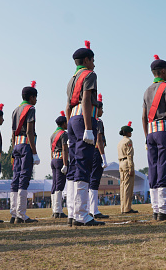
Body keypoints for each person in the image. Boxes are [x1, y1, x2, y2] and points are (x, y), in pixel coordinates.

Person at [65, 41, 104, 226]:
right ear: (87, 60)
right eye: (93, 60)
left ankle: (73, 213)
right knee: (83, 165)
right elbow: (87, 100)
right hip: (83, 119)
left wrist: (68, 128)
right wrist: (89, 128)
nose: (94, 64)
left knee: (74, 166)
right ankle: (81, 214)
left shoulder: (71, 79)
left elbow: (67, 106)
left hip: (72, 120)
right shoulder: (90, 75)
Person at [142, 55, 166, 221]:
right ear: (164, 71)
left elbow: (143, 117)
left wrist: (146, 137)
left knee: (153, 169)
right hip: (163, 131)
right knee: (164, 168)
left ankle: (156, 209)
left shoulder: (147, 90)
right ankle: (164, 210)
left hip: (150, 133)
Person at [10, 81, 40, 224]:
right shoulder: (31, 109)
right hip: (26, 145)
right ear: (32, 97)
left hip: (16, 145)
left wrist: (12, 149)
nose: (36, 100)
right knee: (24, 178)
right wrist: (34, 152)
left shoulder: (15, 110)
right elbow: (29, 131)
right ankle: (21, 215)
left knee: (15, 178)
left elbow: (12, 133)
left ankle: (13, 212)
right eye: (36, 97)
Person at [89, 94, 109, 219]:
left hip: (89, 152)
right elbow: (99, 140)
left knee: (90, 180)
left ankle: (90, 208)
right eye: (101, 109)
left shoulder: (89, 120)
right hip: (96, 152)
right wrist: (103, 156)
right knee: (95, 181)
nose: (102, 111)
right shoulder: (98, 121)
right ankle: (94, 210)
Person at [50, 111, 69, 218]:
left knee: (54, 184)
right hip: (61, 159)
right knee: (60, 185)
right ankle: (58, 211)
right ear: (63, 124)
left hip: (54, 159)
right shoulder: (64, 134)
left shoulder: (53, 134)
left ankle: (54, 209)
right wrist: (65, 164)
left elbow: (51, 150)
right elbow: (65, 150)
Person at [118, 122, 138, 214]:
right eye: (130, 132)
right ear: (127, 133)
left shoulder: (120, 142)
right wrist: (131, 168)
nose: (131, 133)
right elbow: (129, 155)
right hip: (126, 163)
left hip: (120, 163)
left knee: (122, 187)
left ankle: (123, 208)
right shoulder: (128, 141)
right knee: (128, 187)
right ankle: (127, 208)